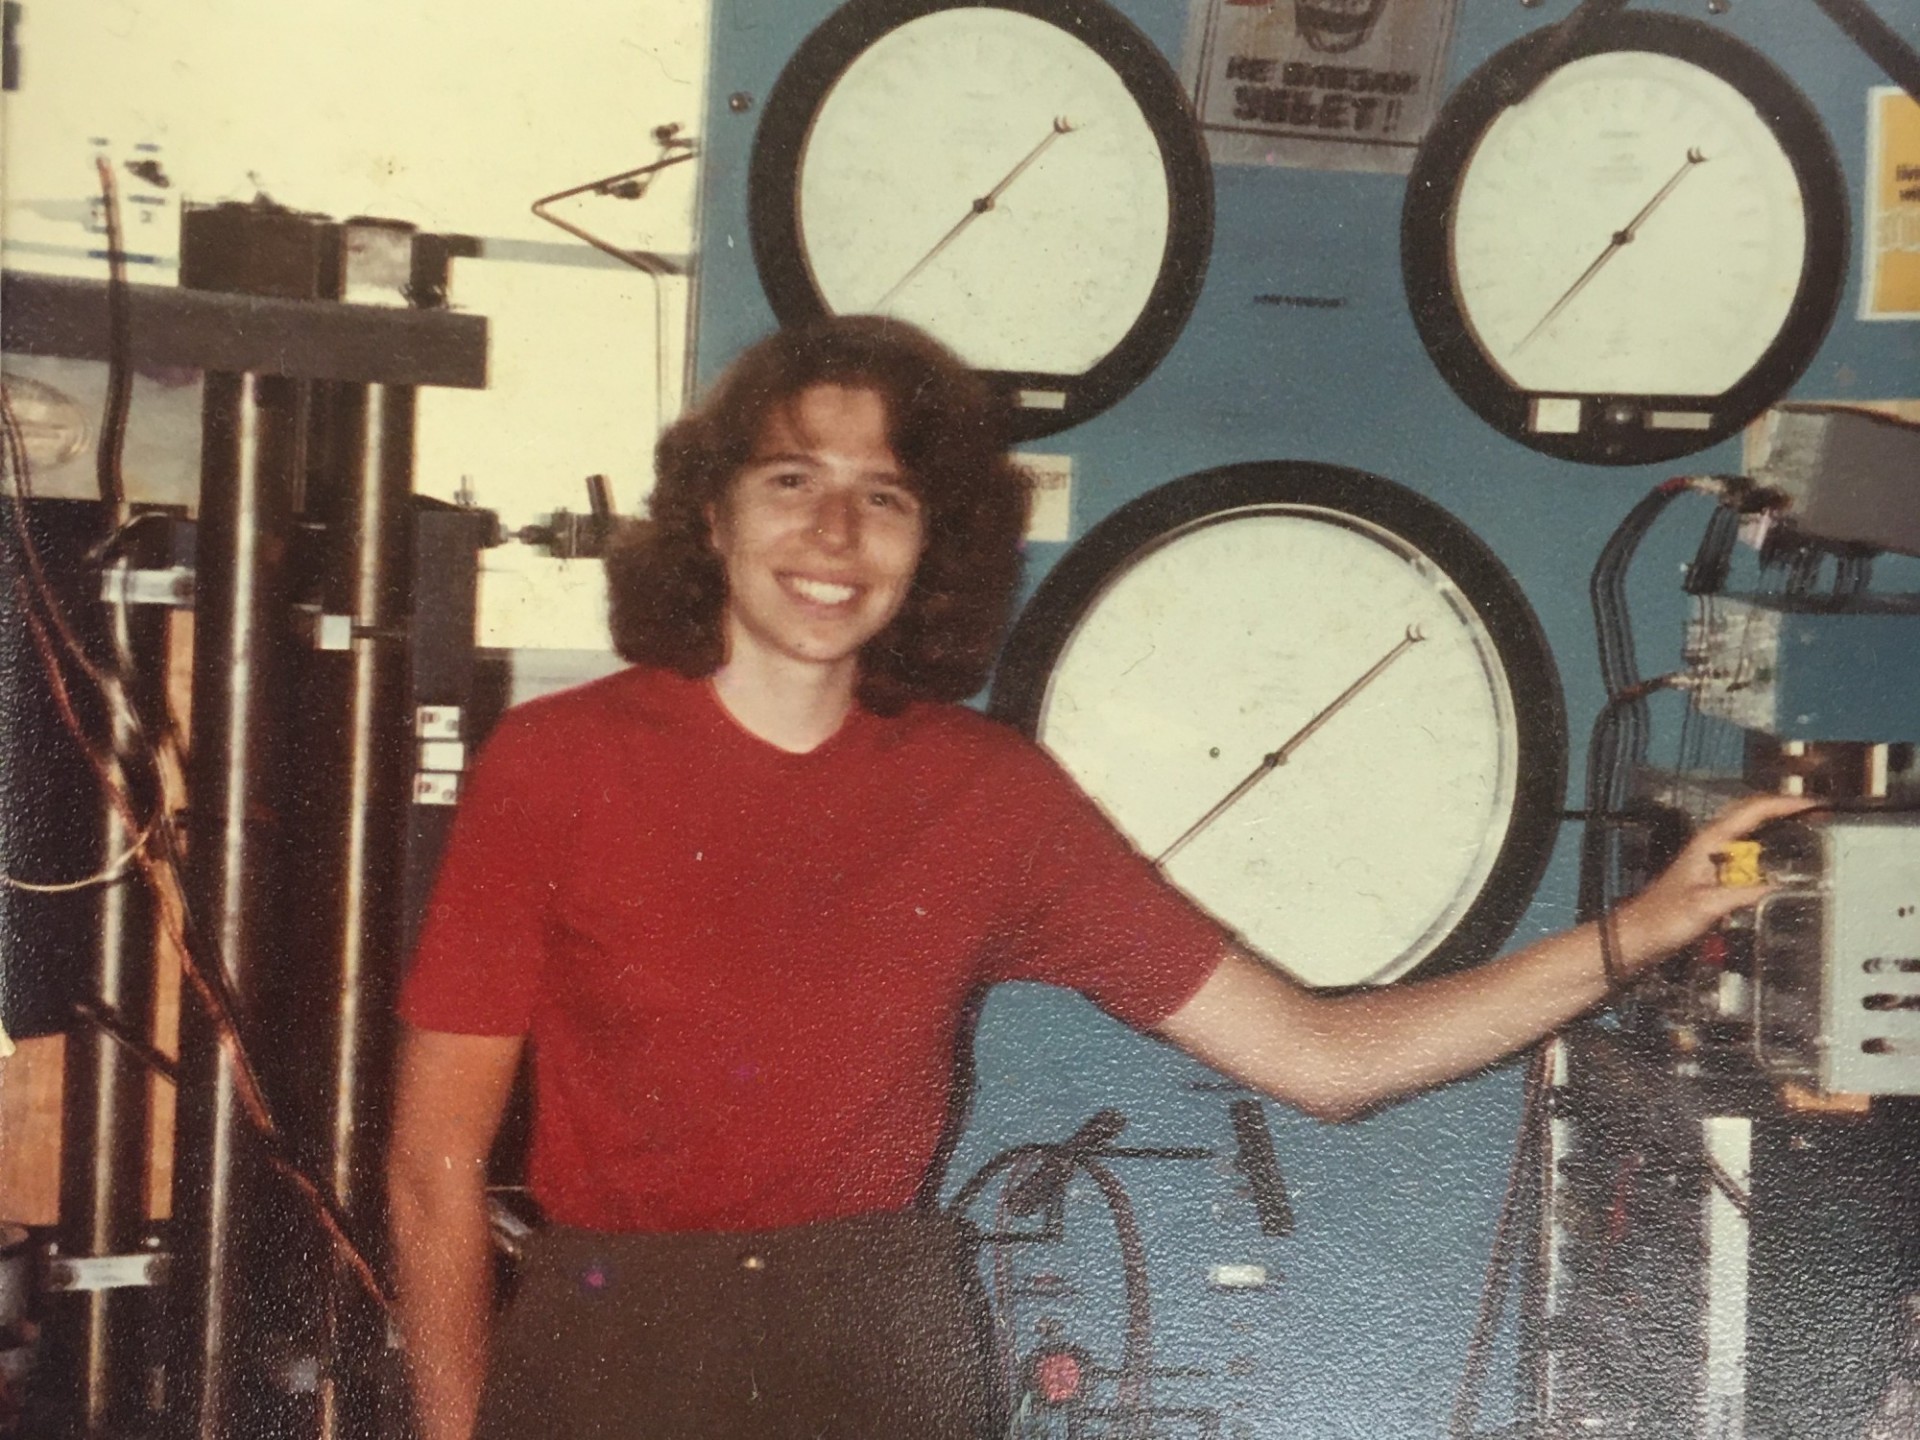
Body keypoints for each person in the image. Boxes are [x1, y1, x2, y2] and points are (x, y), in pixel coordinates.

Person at [386, 316, 1804, 1440]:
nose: (833, 535)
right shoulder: (558, 763)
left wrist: (1643, 928)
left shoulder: (983, 792)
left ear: (928, 546)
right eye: (791, 480)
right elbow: (434, 1175)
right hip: (613, 1341)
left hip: (878, 1347)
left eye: (883, 496)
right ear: (710, 515)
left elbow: (1321, 1059)